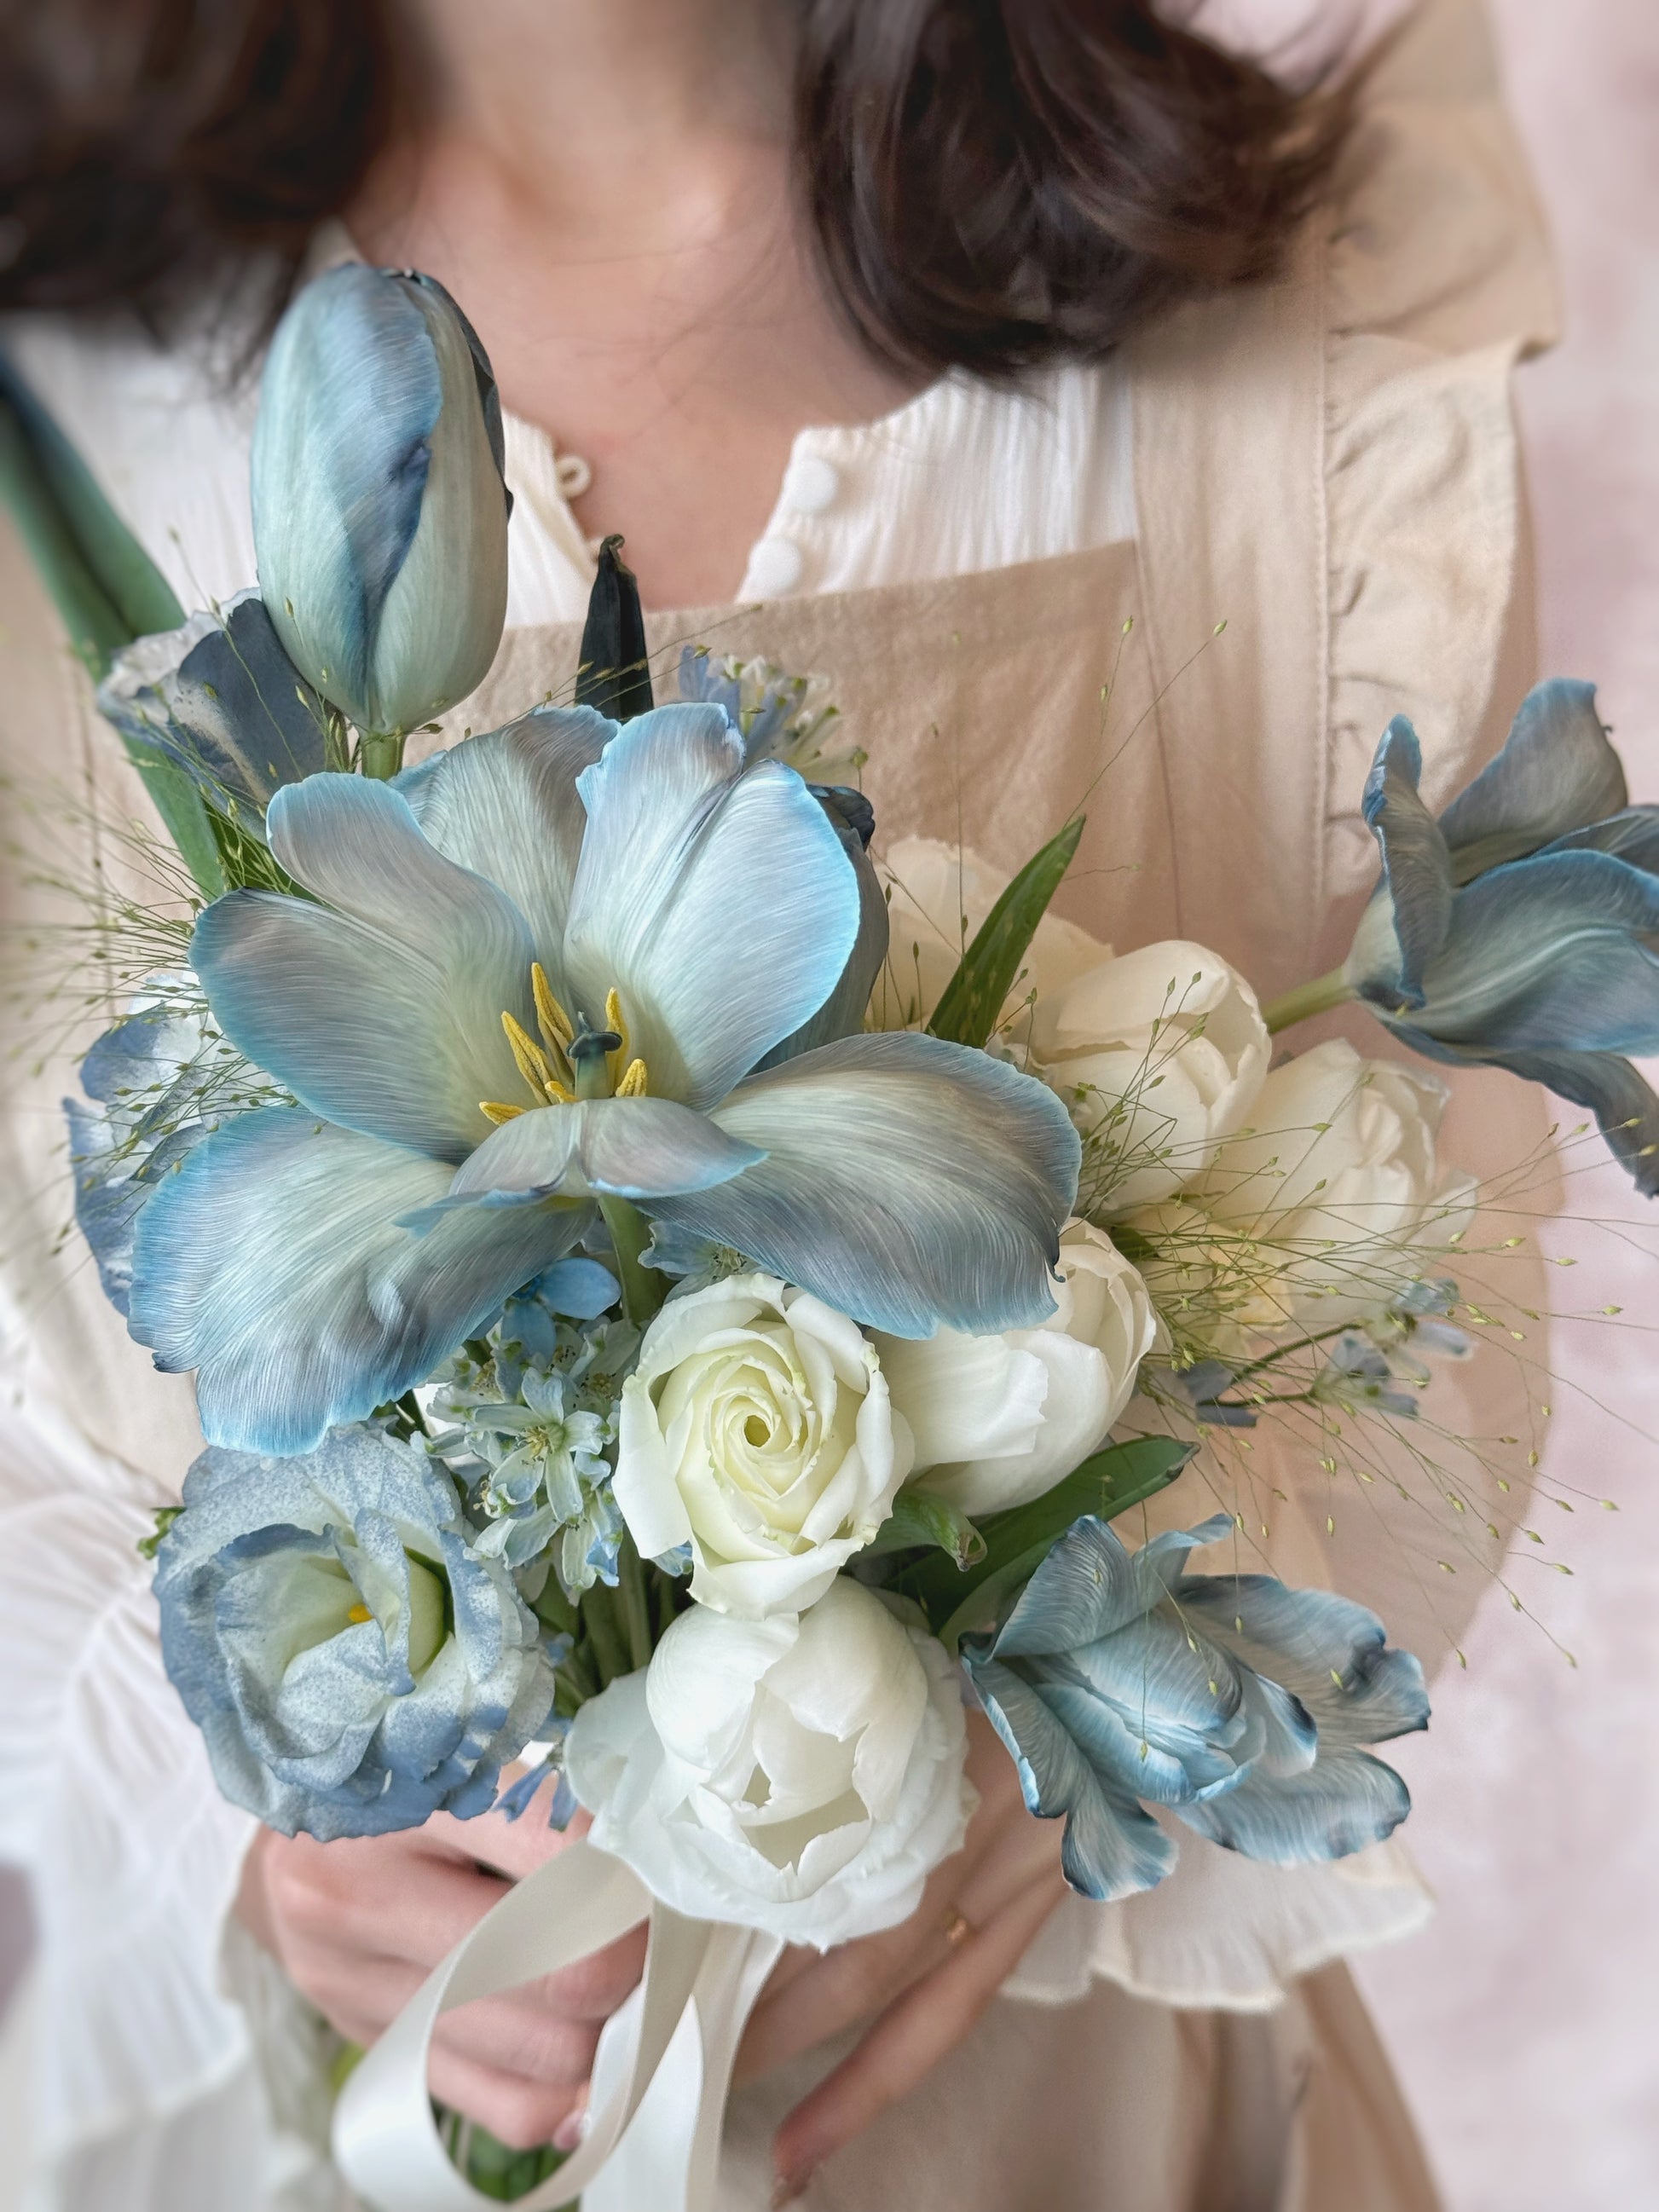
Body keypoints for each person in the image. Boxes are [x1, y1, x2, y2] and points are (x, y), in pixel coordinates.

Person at [0, 1, 1558, 2207]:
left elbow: (1441, 1223)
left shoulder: (1291, 225)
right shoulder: (57, 346)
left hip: (1085, 2128)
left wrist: (1092, 1690)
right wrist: (236, 1819)